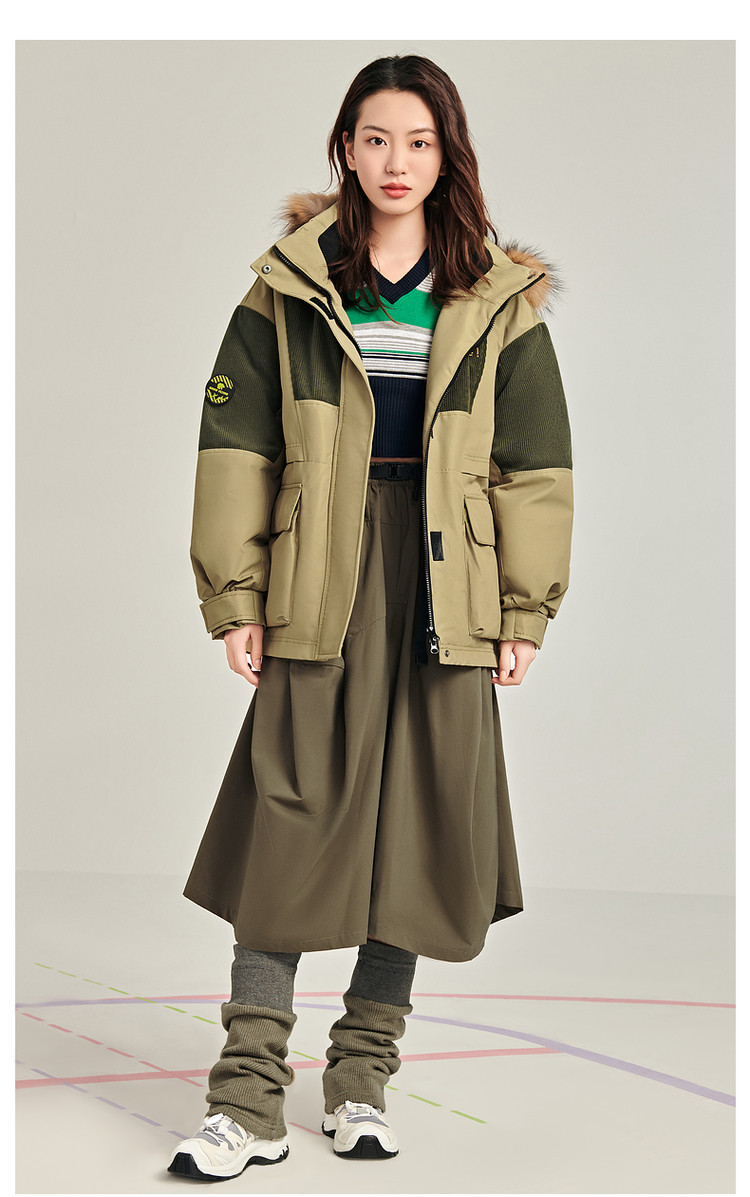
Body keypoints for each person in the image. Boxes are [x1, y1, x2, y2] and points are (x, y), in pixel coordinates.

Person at [167, 53, 573, 1182]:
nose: (398, 162)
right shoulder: (292, 286)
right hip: (319, 575)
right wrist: (235, 595)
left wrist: (523, 611)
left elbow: (535, 467)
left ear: (448, 156)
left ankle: (360, 1080)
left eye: (420, 142)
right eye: (378, 138)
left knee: (420, 831)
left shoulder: (497, 295)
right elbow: (235, 447)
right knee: (288, 826)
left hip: (449, 584)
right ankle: (247, 1101)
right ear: (345, 147)